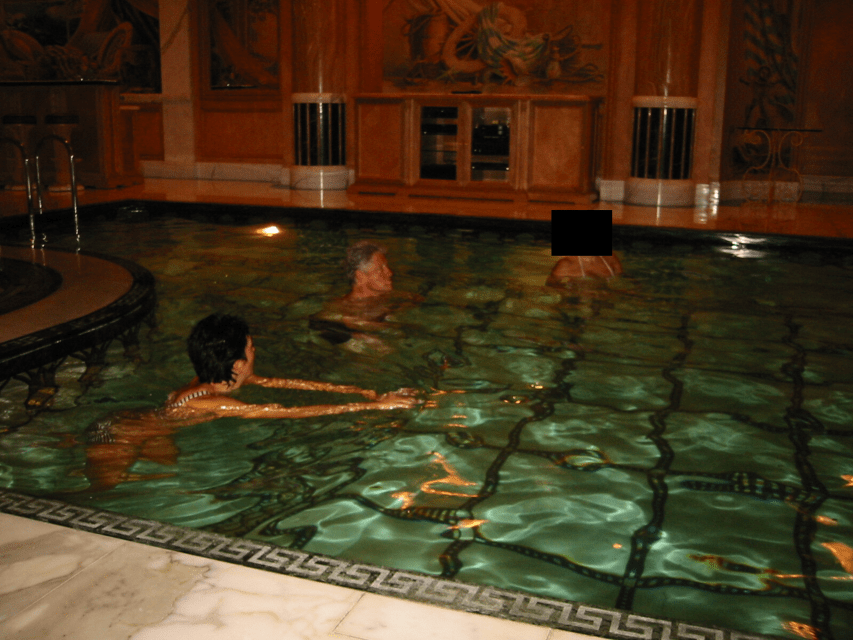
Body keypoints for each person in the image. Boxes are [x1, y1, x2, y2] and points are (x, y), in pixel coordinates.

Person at [80, 313, 418, 491]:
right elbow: (290, 412)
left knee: (167, 472)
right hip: (118, 433)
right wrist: (374, 408)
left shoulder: (222, 378)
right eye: (252, 348)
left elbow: (289, 384)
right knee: (104, 489)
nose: (256, 352)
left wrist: (361, 392)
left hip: (152, 426)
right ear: (239, 364)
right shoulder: (212, 402)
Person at [310, 241, 422, 345]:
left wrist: (397, 310)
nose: (389, 273)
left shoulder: (389, 296)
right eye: (380, 269)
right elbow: (319, 324)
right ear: (360, 276)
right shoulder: (342, 309)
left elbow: (417, 299)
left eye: (386, 267)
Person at [546, 254, 623, 286]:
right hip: (576, 304)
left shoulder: (610, 258)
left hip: (604, 302)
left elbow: (622, 279)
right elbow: (550, 284)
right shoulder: (567, 263)